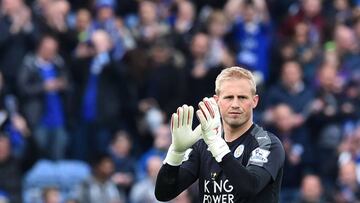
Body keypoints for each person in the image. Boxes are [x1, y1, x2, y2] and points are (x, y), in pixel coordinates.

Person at [155, 66, 285, 202]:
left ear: (254, 101)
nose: (235, 104)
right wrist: (176, 153)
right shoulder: (202, 146)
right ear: (217, 101)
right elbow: (163, 194)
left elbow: (250, 188)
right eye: (229, 97)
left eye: (242, 97)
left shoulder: (267, 143)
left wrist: (216, 145)